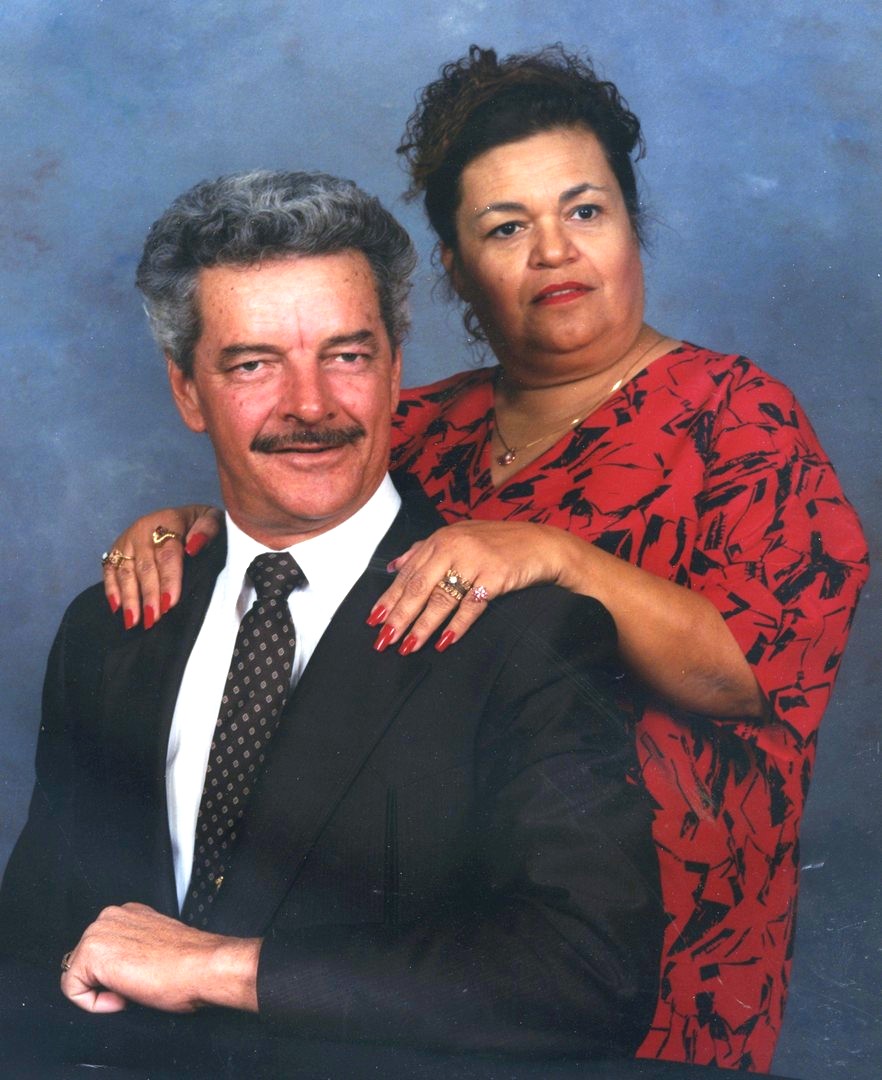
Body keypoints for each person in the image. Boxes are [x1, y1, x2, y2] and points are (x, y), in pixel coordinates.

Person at [103, 46, 870, 1072]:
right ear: (457, 269)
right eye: (507, 227)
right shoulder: (419, 424)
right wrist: (191, 528)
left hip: (656, 968)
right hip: (423, 971)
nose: (554, 251)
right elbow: (295, 511)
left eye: (584, 211)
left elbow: (753, 674)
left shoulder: (738, 418)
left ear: (633, 226)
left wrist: (560, 557)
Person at [0, 169, 662, 1074]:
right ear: (187, 392)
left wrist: (225, 969)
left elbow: (593, 976)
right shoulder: (113, 629)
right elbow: (31, 953)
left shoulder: (526, 637)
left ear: (394, 372)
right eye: (253, 364)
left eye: (346, 356)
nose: (310, 405)